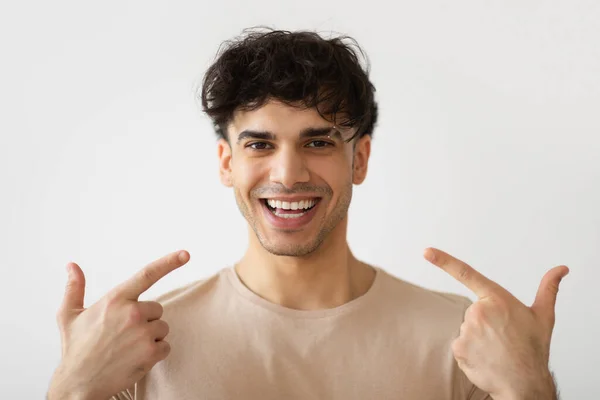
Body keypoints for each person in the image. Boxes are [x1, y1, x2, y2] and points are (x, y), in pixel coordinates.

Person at [47, 28, 568, 400]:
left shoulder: (465, 340)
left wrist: (530, 389)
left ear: (358, 159)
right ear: (227, 163)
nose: (289, 174)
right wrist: (73, 388)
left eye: (317, 141)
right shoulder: (140, 343)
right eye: (259, 145)